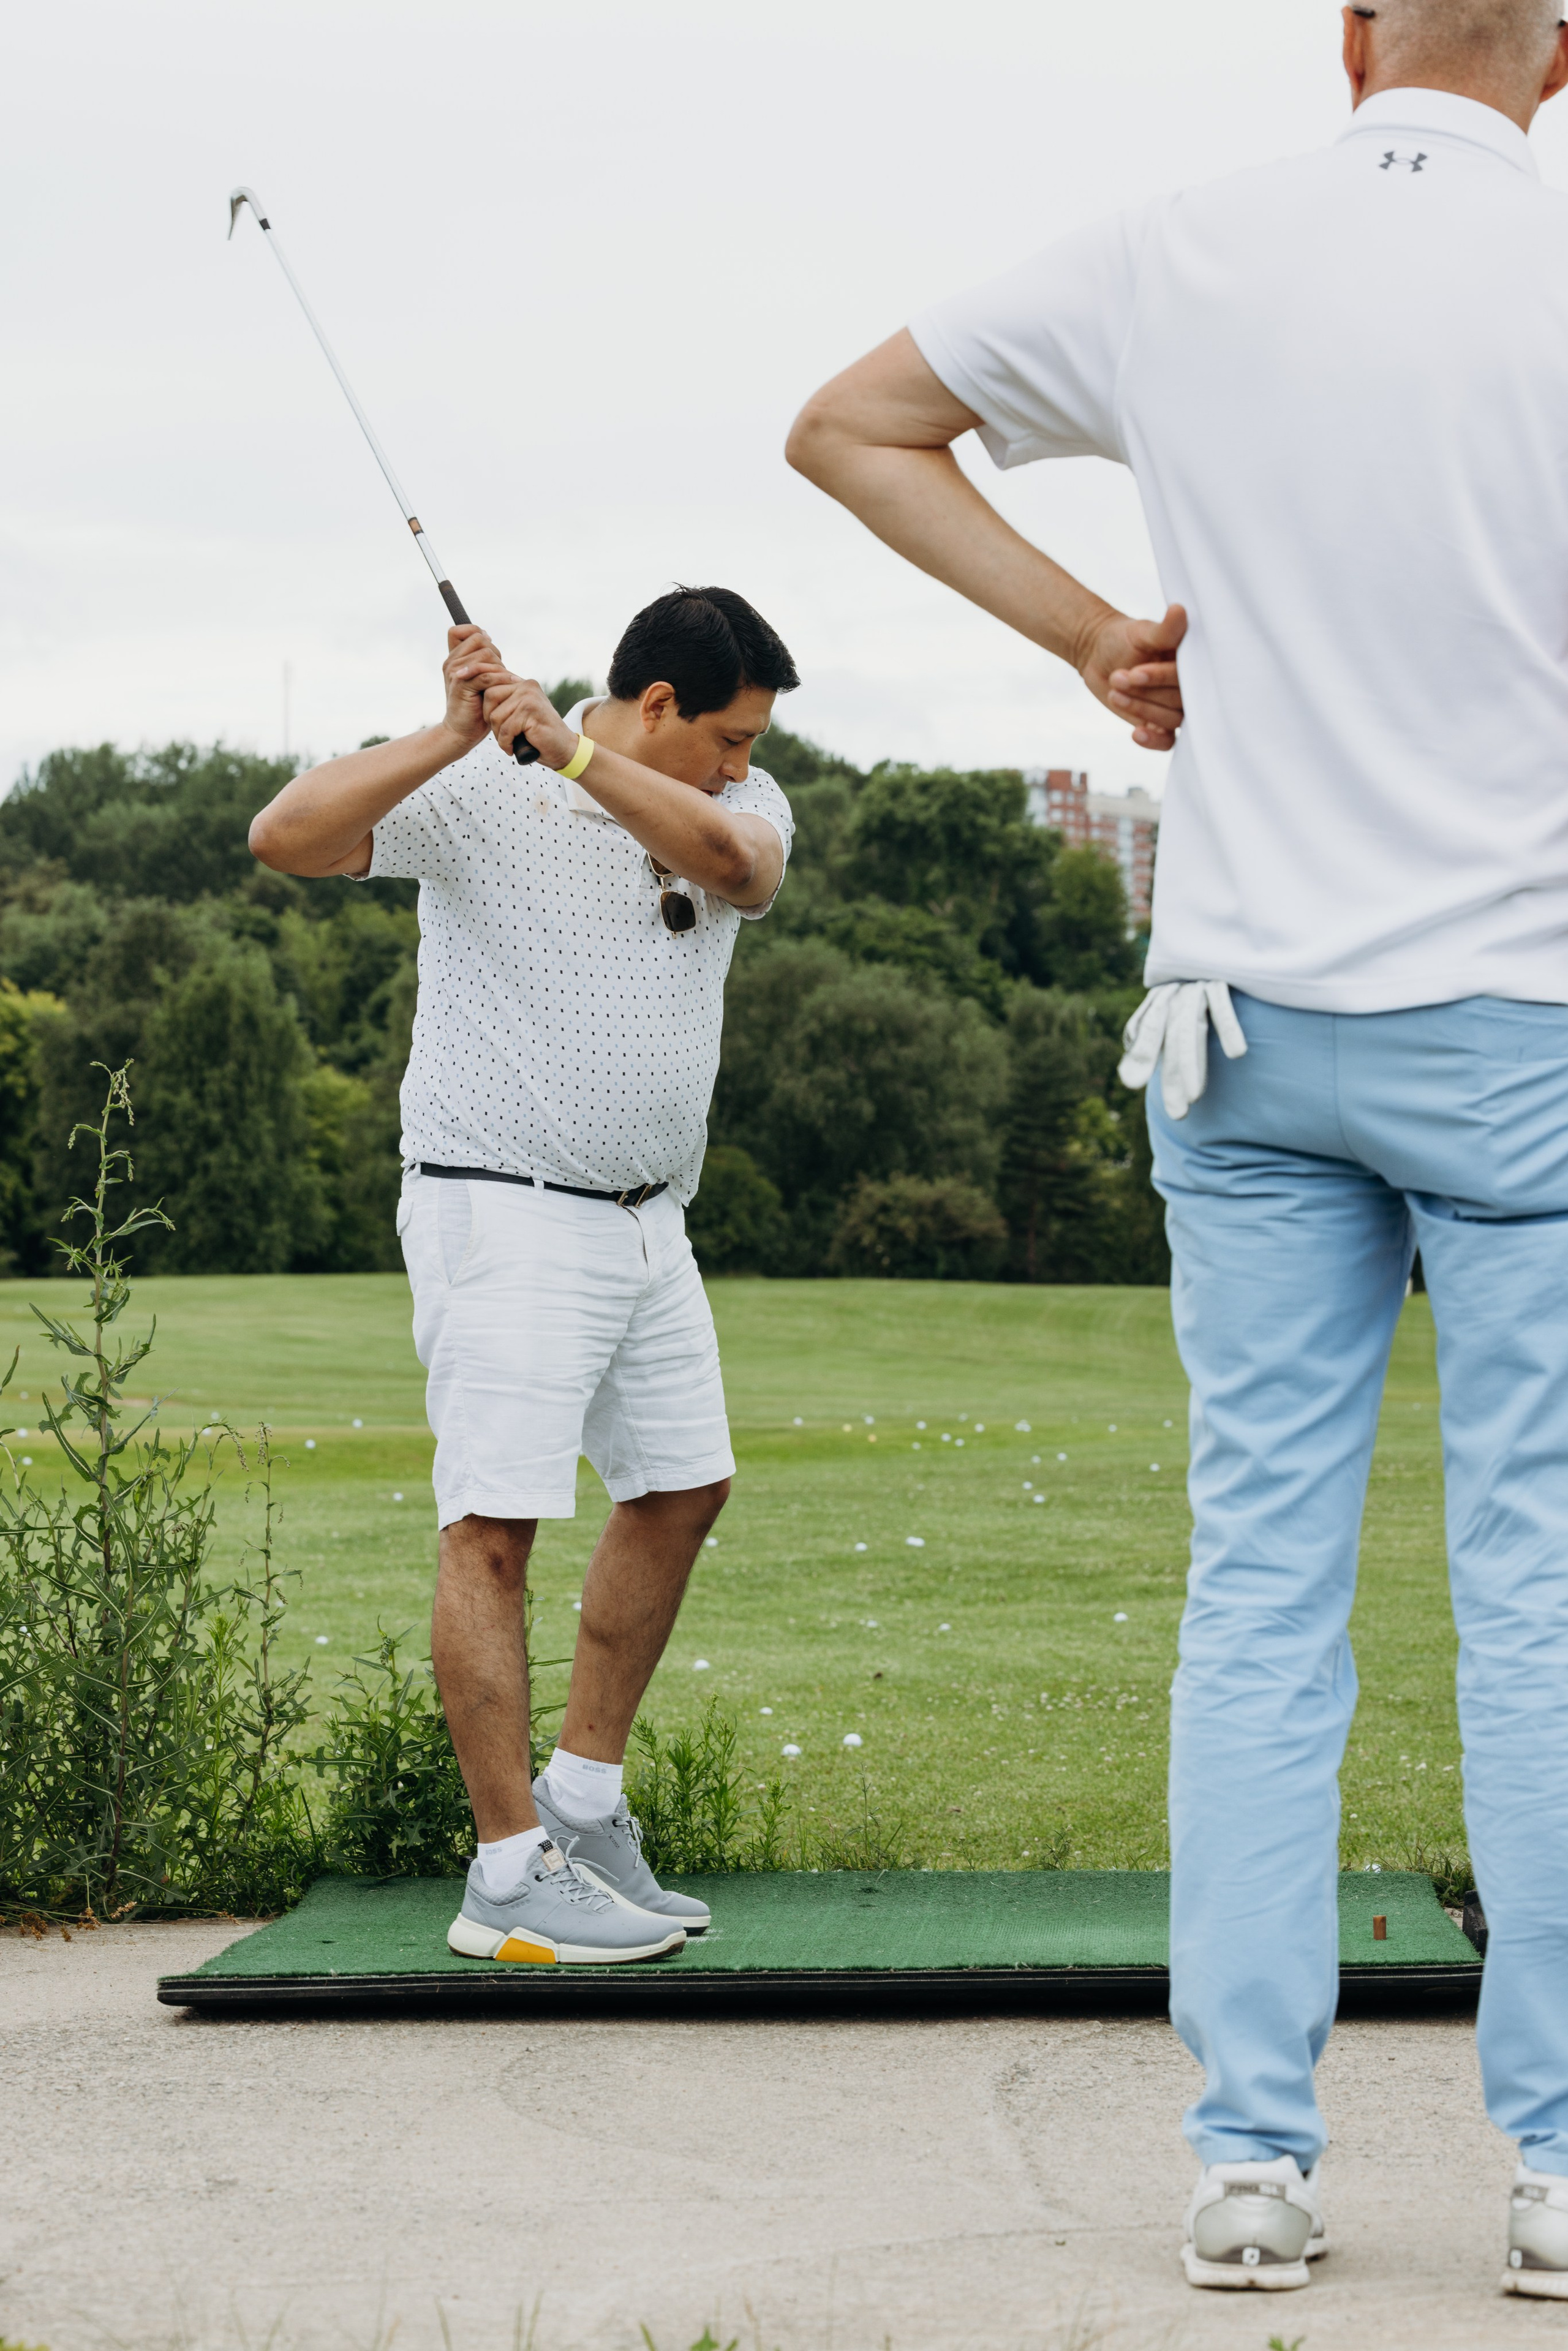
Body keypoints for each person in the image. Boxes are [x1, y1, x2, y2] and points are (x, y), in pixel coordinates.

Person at [788, 0, 1568, 2301]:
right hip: (1524, 1018)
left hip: (1237, 1027)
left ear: (1347, 41)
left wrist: (1096, 640)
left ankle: (1251, 2159)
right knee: (1537, 1600)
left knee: (1260, 1602)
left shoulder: (1184, 247)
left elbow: (851, 426)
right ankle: (1555, 2170)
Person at [249, 586, 797, 1966]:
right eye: (727, 733)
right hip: (501, 1208)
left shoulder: (723, 798)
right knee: (492, 1526)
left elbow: (741, 866)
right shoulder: (475, 792)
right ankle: (504, 1874)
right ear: (662, 701)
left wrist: (569, 751)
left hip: (643, 1218)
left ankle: (584, 1806)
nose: (743, 763)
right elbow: (285, 837)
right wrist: (449, 731)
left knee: (681, 1486)